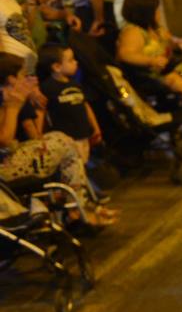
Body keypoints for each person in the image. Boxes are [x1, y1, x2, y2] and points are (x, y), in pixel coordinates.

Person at [1, 54, 115, 225]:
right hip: (4, 167)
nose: (28, 80)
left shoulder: (13, 97)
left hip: (12, 155)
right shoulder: (9, 100)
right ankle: (77, 209)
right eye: (24, 75)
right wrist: (12, 108)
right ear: (11, 79)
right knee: (63, 142)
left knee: (61, 141)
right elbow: (4, 140)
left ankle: (76, 206)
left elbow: (33, 130)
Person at [36, 43, 100, 162]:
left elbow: (85, 105)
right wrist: (38, 135)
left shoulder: (75, 84)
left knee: (84, 163)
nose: (76, 62)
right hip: (66, 139)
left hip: (83, 135)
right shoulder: (47, 88)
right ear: (57, 67)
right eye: (71, 60)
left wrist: (95, 127)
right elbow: (41, 110)